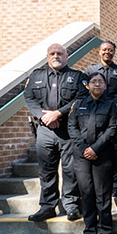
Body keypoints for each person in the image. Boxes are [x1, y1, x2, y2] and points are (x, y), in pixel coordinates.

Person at [24, 43, 88, 222]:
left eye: (60, 53)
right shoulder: (36, 76)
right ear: (47, 57)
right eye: (52, 53)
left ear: (67, 56)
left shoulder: (77, 76)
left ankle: (71, 206)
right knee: (46, 170)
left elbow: (82, 97)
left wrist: (58, 113)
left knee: (70, 169)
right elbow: (29, 97)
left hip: (68, 129)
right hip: (44, 130)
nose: (56, 56)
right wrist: (43, 117)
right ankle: (47, 206)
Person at [68, 72, 117, 234]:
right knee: (86, 193)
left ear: (105, 86)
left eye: (100, 82)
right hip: (82, 156)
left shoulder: (111, 105)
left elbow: (112, 128)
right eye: (93, 82)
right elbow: (72, 127)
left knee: (102, 194)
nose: (97, 84)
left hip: (103, 154)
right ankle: (89, 230)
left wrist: (95, 148)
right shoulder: (78, 104)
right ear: (87, 85)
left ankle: (104, 230)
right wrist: (84, 149)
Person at [85, 40, 117, 197]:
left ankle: (116, 185)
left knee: (114, 149)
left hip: (113, 113)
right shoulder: (90, 70)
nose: (107, 52)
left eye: (111, 50)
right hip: (94, 114)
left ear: (114, 52)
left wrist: (113, 99)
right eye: (104, 50)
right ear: (99, 51)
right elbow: (84, 88)